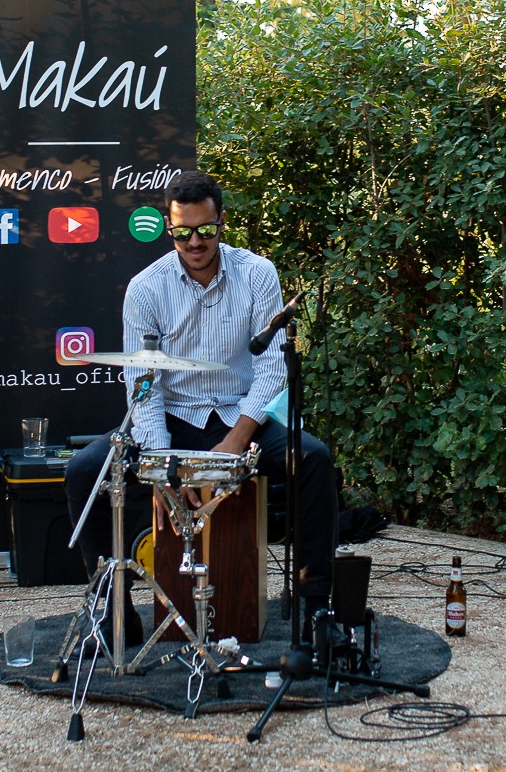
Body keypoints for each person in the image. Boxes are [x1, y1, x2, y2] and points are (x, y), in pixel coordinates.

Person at [63, 170, 341, 642]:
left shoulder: (257, 273)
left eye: (205, 230)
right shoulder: (146, 287)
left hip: (240, 418)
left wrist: (233, 444)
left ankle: (316, 607)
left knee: (314, 460)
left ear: (222, 223)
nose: (195, 242)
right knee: (83, 471)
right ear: (169, 228)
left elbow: (272, 369)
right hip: (170, 420)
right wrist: (163, 465)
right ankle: (113, 610)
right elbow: (143, 384)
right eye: (183, 232)